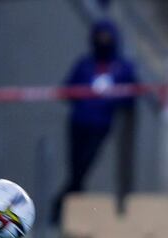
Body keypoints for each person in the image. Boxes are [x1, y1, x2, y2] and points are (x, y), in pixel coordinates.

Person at [51, 19, 138, 224]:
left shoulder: (122, 68)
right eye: (100, 37)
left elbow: (130, 97)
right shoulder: (84, 65)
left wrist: (112, 98)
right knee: (76, 169)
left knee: (83, 168)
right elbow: (67, 90)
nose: (103, 41)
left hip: (101, 125)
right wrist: (84, 96)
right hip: (78, 122)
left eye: (107, 37)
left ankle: (61, 208)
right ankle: (68, 211)